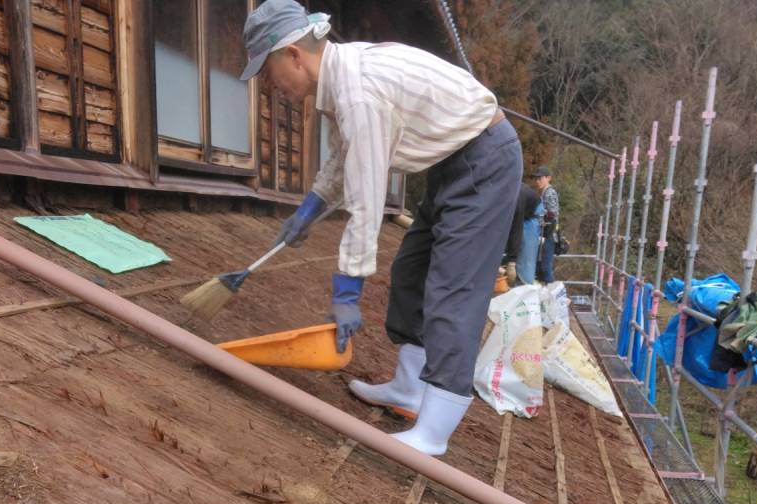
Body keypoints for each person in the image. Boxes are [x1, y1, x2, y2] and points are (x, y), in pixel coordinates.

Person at [240, 0, 522, 457]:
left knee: (455, 288)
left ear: (293, 54)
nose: (270, 86)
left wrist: (347, 289)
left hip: (483, 161)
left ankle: (434, 431)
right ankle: (410, 390)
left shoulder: (358, 91)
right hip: (453, 162)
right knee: (412, 269)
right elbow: (344, 157)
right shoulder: (340, 78)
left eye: (268, 72)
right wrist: (309, 208)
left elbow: (367, 200)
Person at [503, 180, 540, 286]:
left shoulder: (516, 198)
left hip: (532, 217)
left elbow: (516, 229)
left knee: (525, 260)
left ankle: (525, 288)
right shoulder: (503, 194)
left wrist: (511, 261)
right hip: (523, 215)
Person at [533, 166, 559, 283]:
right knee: (540, 267)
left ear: (549, 178)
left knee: (545, 267)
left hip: (548, 234)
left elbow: (552, 214)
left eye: (541, 178)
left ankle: (554, 296)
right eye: (537, 179)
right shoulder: (544, 193)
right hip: (543, 234)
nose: (538, 181)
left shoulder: (550, 193)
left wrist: (540, 218)